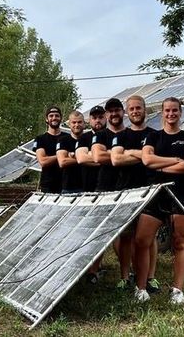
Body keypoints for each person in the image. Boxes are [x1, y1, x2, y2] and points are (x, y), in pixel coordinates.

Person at [135, 97, 184, 304]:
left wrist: (160, 166)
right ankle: (141, 288)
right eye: (167, 111)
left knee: (180, 241)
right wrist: (172, 162)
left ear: (180, 113)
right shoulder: (153, 137)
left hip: (181, 193)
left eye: (175, 111)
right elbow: (146, 160)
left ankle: (177, 290)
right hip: (156, 194)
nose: (171, 114)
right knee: (142, 240)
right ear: (162, 113)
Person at [111, 95, 159, 292]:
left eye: (138, 108)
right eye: (131, 108)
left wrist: (130, 153)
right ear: (127, 112)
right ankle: (125, 276)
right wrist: (143, 155)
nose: (135, 111)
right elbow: (115, 160)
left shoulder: (155, 134)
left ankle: (150, 277)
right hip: (126, 192)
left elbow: (155, 159)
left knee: (149, 238)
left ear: (144, 110)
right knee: (126, 237)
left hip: (149, 190)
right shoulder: (121, 135)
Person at [74, 104, 106, 283]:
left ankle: (94, 270)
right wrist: (106, 159)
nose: (97, 120)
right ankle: (83, 267)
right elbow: (81, 158)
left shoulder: (112, 136)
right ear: (89, 121)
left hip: (108, 190)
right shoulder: (84, 138)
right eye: (94, 117)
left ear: (106, 117)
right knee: (85, 231)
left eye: (100, 117)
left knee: (102, 232)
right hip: (86, 190)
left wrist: (100, 158)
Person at [91, 98, 126, 192]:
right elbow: (98, 157)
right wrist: (124, 155)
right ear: (106, 115)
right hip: (105, 188)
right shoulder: (99, 135)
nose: (114, 113)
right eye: (110, 111)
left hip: (130, 187)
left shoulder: (131, 134)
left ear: (123, 112)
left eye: (117, 110)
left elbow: (142, 157)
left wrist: (108, 152)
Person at [33, 106, 68, 193]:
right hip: (48, 185)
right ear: (46, 119)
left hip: (67, 184)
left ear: (61, 118)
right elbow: (43, 161)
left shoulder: (68, 138)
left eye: (57, 115)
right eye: (51, 116)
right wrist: (62, 156)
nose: (54, 118)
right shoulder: (40, 139)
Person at [56, 110, 85, 193]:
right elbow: (62, 161)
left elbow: (96, 158)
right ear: (69, 124)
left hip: (88, 187)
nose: (77, 125)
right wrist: (84, 157)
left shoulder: (89, 139)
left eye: (79, 122)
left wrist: (72, 156)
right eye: (74, 122)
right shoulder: (63, 140)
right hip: (69, 188)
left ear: (84, 123)